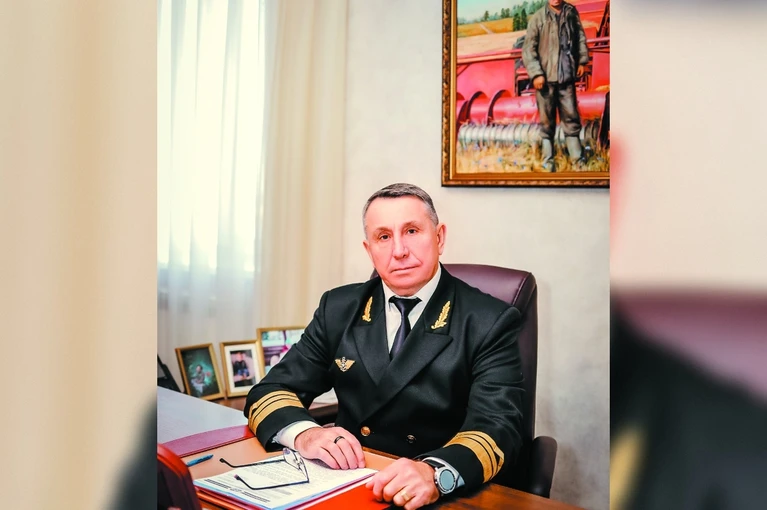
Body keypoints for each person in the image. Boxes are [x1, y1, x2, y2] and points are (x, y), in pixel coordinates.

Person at [244, 183, 524, 509]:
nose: (399, 250)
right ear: (369, 249)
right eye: (384, 237)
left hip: (434, 493)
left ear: (439, 237)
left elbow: (498, 426)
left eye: (412, 231)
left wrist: (436, 473)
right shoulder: (339, 307)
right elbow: (272, 389)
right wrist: (305, 434)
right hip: (349, 482)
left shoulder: (489, 320)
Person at [522, 0, 589, 172]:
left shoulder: (571, 13)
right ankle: (548, 162)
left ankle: (577, 161)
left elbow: (580, 37)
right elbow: (528, 50)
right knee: (547, 122)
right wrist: (536, 73)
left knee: (571, 118)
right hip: (544, 81)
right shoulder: (537, 18)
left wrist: (582, 61)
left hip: (566, 78)